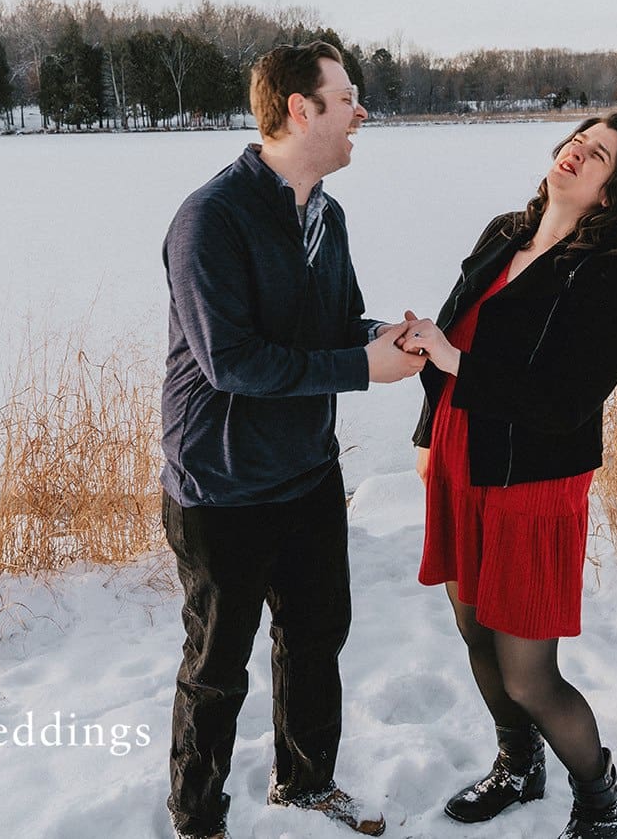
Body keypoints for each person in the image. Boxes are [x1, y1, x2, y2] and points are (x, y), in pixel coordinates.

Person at [160, 41, 421, 839]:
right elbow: (231, 361)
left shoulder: (326, 216)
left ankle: (306, 786)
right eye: (347, 97)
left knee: (315, 640)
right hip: (224, 484)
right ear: (300, 110)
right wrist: (357, 365)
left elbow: (336, 320)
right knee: (217, 668)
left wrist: (387, 336)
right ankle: (196, 816)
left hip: (308, 474)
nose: (360, 112)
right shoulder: (212, 218)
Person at [404, 112, 617, 839]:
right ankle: (518, 763)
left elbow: (565, 403)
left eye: (601, 152)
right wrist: (428, 429)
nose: (580, 148)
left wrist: (458, 364)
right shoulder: (502, 234)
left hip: (532, 483)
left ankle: (599, 800)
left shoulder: (610, 280)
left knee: (529, 673)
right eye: (581, 136)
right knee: (474, 632)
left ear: (613, 194)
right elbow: (452, 334)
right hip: (462, 458)